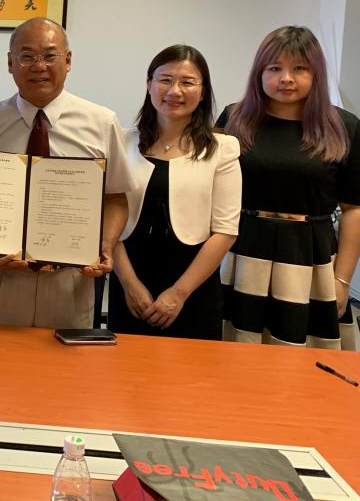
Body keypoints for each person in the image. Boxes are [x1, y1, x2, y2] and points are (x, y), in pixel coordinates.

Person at [0, 17, 133, 328]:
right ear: (10, 63)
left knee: (64, 359)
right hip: (3, 278)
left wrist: (105, 245)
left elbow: (116, 198)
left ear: (68, 61)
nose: (39, 66)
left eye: (50, 55)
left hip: (70, 281)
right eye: (27, 56)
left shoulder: (102, 123)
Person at [219, 26, 359, 349]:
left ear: (316, 74)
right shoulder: (234, 119)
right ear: (259, 72)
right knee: (235, 352)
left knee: (302, 360)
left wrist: (341, 280)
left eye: (299, 68)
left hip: (310, 256)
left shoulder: (344, 126)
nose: (286, 78)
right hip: (241, 251)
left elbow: (354, 209)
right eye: (274, 68)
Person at [108, 45, 241, 340]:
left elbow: (225, 231)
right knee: (125, 366)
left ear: (203, 91)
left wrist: (179, 293)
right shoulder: (122, 142)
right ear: (149, 85)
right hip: (129, 280)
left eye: (187, 82)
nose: (175, 91)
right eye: (165, 80)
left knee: (191, 368)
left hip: (193, 285)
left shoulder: (223, 149)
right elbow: (107, 219)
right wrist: (129, 284)